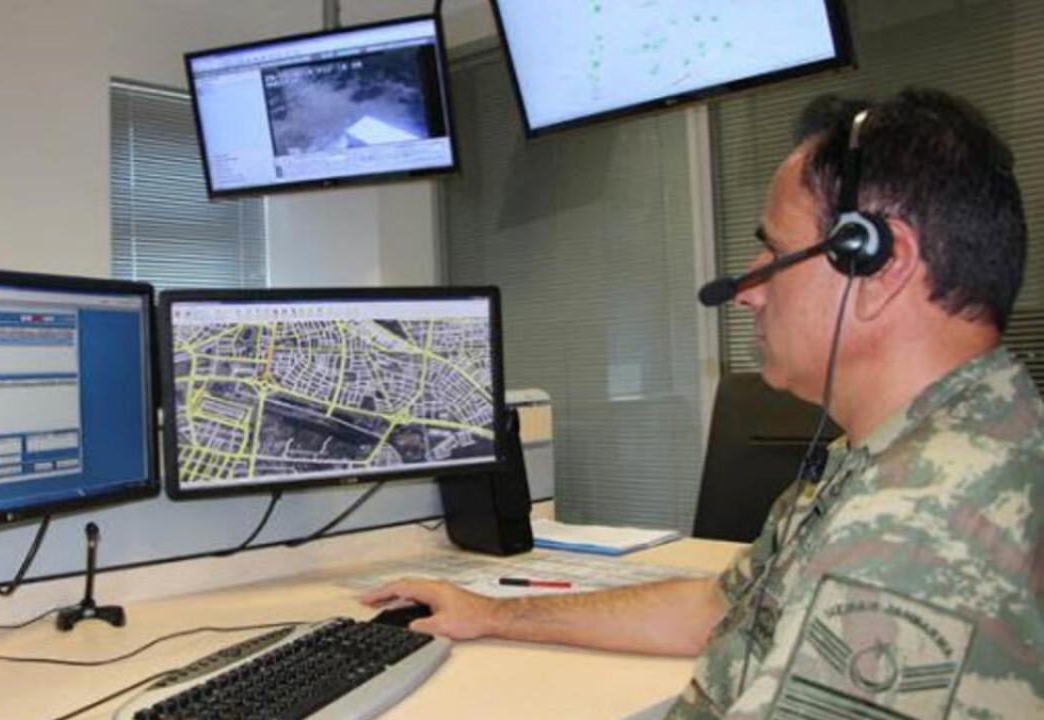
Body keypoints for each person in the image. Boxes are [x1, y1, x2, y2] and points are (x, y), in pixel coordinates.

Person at [362, 88, 1043, 718]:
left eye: (775, 253)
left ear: (878, 265)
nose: (747, 291)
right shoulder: (921, 444)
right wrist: (492, 614)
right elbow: (723, 606)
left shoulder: (914, 522)